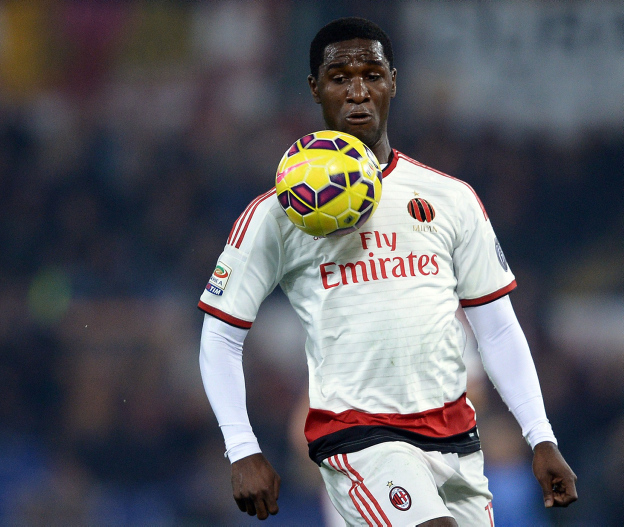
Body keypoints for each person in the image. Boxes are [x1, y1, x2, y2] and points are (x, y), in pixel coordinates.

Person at [198, 16, 577, 527]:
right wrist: (242, 446)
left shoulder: (451, 198)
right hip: (360, 440)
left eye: (372, 75)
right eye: (339, 78)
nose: (357, 92)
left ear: (393, 82)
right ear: (314, 88)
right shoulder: (278, 212)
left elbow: (497, 328)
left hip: (456, 442)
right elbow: (221, 334)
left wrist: (541, 436)